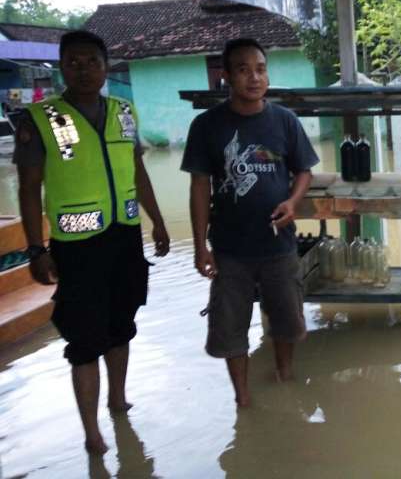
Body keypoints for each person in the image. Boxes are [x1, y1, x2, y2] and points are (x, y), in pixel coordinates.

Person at [14, 30, 170, 454]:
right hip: (76, 246)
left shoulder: (123, 112)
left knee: (122, 324)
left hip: (123, 237)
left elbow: (137, 171)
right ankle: (92, 433)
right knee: (84, 339)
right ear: (62, 67)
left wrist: (157, 221)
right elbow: (29, 188)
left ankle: (118, 400)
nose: (83, 69)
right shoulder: (43, 119)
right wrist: (36, 249)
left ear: (106, 67)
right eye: (74, 62)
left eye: (92, 62)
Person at [181, 37, 319, 407]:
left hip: (278, 244)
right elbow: (198, 187)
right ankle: (242, 399)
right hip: (229, 248)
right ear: (225, 76)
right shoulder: (207, 126)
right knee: (230, 327)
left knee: (287, 321)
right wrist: (200, 247)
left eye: (260, 69)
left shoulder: (284, 121)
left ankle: (285, 376)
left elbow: (304, 170)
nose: (254, 77)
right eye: (243, 70)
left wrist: (293, 201)